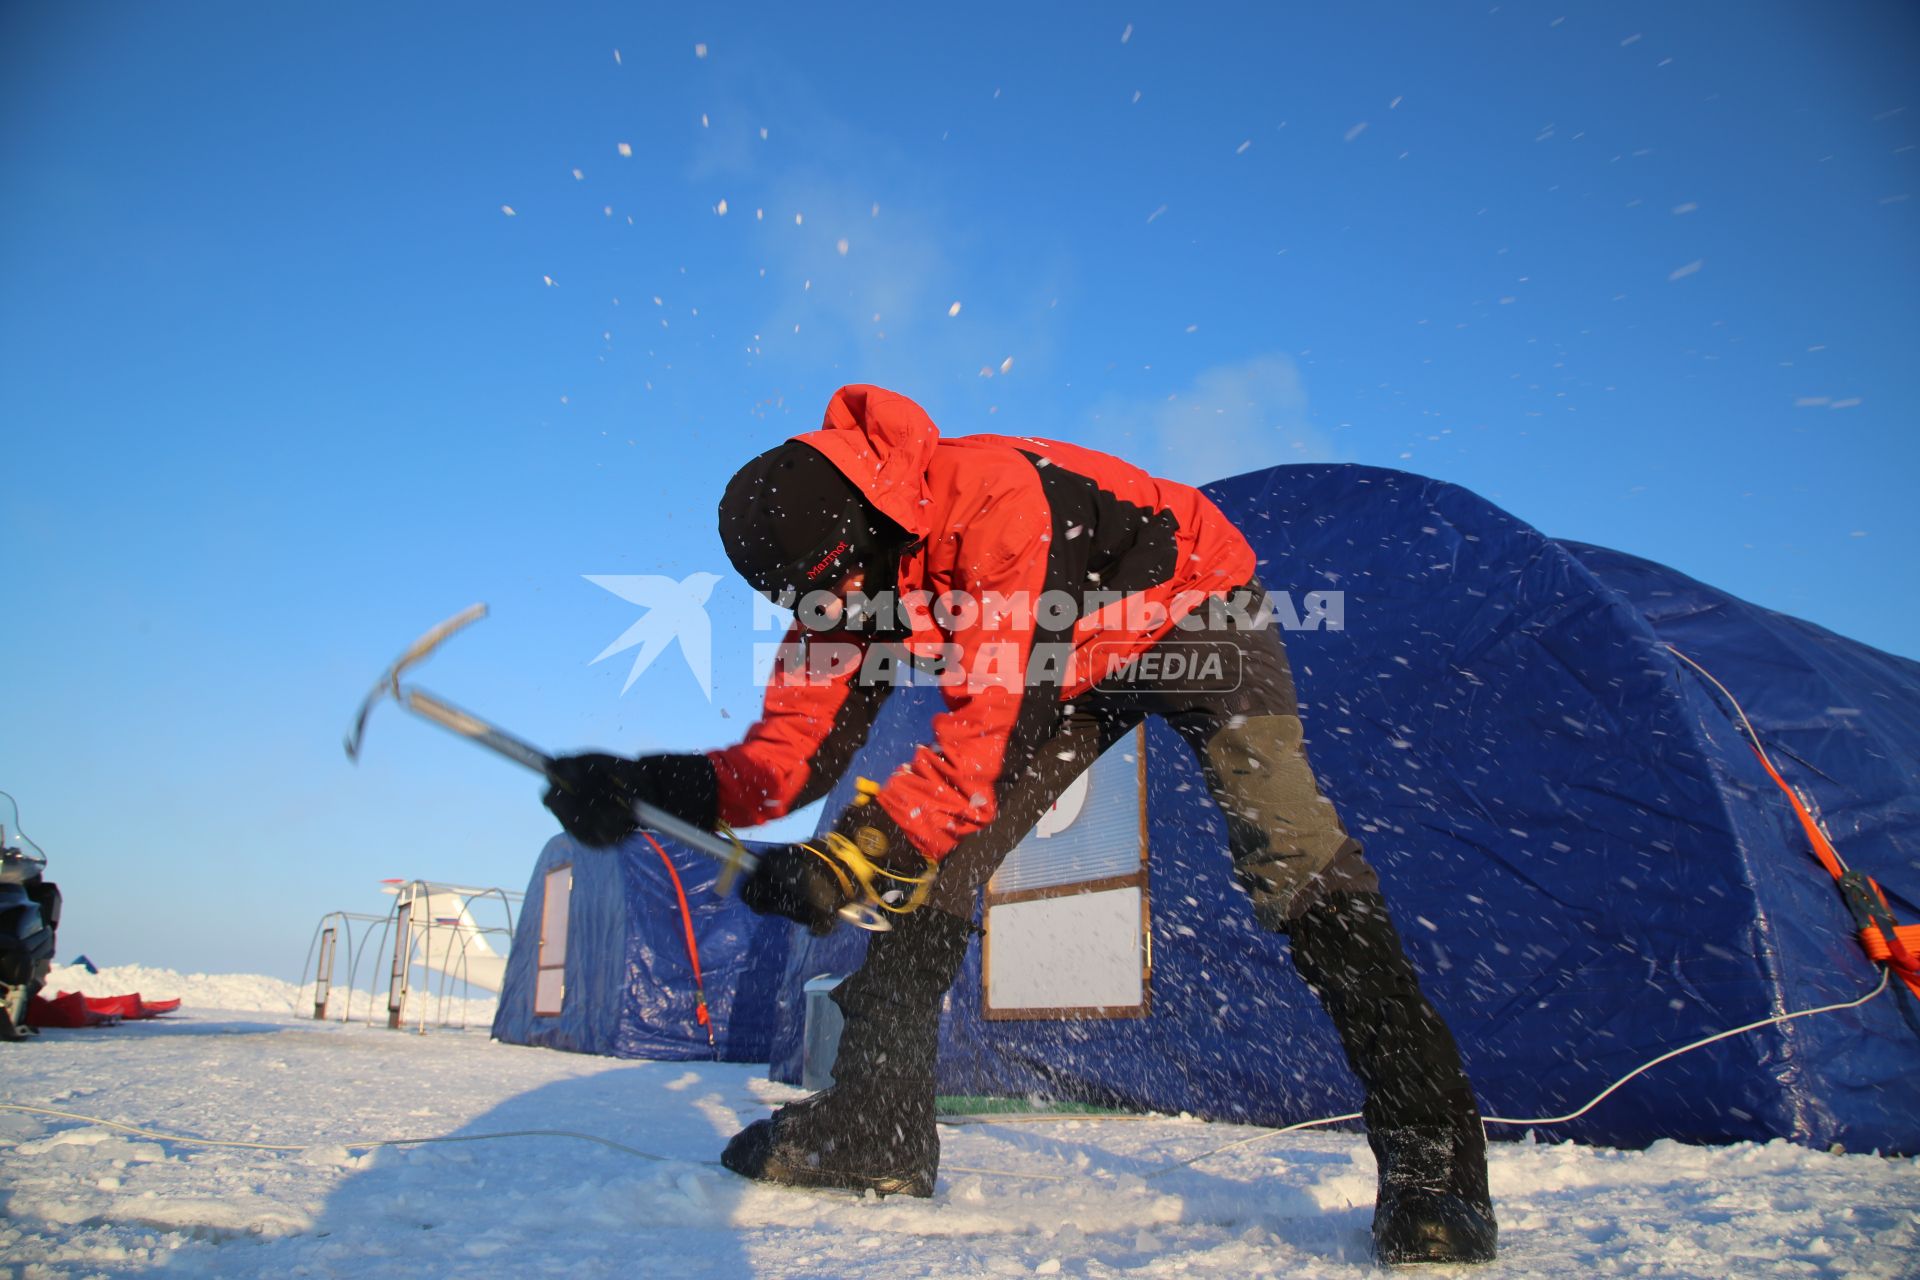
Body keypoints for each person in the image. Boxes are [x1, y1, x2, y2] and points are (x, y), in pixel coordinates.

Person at [543, 384, 1497, 1265]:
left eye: (835, 590)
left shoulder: (994, 501)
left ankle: (1433, 1158)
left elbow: (981, 750)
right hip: (1068, 663)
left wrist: (849, 860)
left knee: (1287, 849)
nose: (831, 616)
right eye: (806, 606)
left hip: (1193, 613)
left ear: (871, 530)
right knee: (938, 867)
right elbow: (788, 761)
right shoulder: (836, 588)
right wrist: (651, 787)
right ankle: (875, 1127)